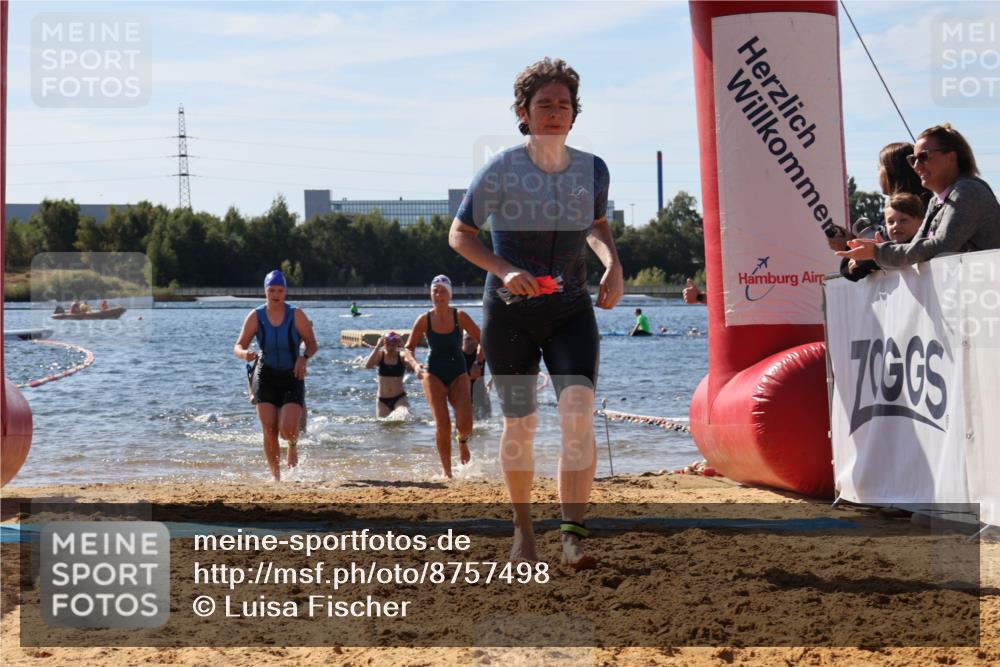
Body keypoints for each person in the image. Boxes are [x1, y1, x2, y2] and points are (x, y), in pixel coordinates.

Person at [449, 58, 624, 570]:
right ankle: (523, 531)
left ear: (574, 114)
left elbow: (596, 226)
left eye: (563, 105)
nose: (554, 113)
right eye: (544, 105)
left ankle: (572, 537)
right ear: (523, 113)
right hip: (511, 315)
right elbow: (461, 234)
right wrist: (504, 271)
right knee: (520, 426)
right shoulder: (503, 168)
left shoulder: (592, 169)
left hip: (571, 310)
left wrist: (612, 265)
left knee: (577, 415)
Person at [838, 124, 1000, 269]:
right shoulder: (936, 200)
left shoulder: (967, 191)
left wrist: (879, 252)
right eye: (912, 159)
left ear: (951, 157)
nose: (916, 166)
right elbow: (916, 248)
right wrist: (876, 253)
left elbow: (940, 246)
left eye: (923, 157)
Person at [234, 269, 318, 481]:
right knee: (269, 429)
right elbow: (238, 345)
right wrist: (245, 354)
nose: (276, 294)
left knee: (287, 430)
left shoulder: (296, 314)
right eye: (272, 290)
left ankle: (292, 446)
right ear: (265, 291)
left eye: (280, 290)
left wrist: (303, 358)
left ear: (285, 292)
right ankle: (276, 477)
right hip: (265, 375)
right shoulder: (256, 316)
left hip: (292, 375)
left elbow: (312, 344)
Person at [406, 275, 482, 478]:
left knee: (465, 424)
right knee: (443, 423)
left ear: (449, 295)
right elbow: (408, 348)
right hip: (433, 373)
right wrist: (415, 366)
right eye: (435, 291)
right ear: (431, 294)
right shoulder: (424, 319)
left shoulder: (460, 316)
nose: (438, 295)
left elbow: (482, 339)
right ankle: (447, 473)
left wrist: (477, 363)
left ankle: (462, 441)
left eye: (442, 291)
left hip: (459, 372)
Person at [840, 192, 925, 281]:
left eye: (903, 220)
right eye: (891, 222)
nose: (896, 225)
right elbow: (847, 270)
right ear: (885, 226)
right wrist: (864, 260)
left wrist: (877, 256)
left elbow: (909, 255)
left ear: (921, 222)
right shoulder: (883, 241)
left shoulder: (926, 243)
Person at [364, 331, 417, 417]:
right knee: (383, 424)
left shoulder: (402, 356)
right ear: (384, 343)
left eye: (394, 343)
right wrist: (377, 346)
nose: (391, 346)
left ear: (397, 344)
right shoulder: (380, 355)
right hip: (382, 400)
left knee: (404, 416)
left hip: (399, 398)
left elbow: (412, 365)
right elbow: (368, 365)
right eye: (388, 343)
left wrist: (404, 346)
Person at [462, 332, 491, 420]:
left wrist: (490, 383)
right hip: (463, 395)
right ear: (461, 341)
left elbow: (498, 367)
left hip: (481, 394)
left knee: (487, 425)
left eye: (475, 339)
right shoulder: (458, 356)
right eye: (468, 339)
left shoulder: (480, 355)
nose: (472, 342)